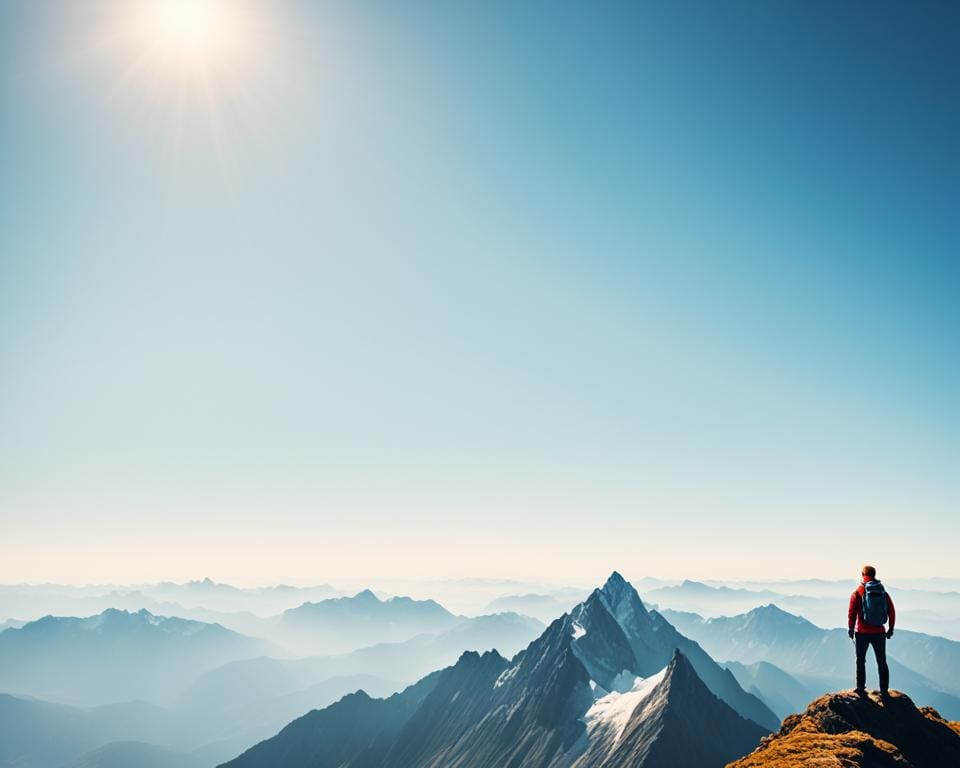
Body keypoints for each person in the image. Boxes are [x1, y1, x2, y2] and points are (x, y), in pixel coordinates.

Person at [848, 564, 895, 696]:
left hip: (862, 633)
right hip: (879, 632)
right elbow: (891, 610)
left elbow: (852, 612)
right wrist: (891, 628)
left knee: (860, 660)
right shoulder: (882, 592)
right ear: (874, 575)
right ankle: (884, 690)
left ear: (863, 575)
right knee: (881, 661)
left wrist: (851, 628)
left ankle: (861, 687)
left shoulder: (858, 592)